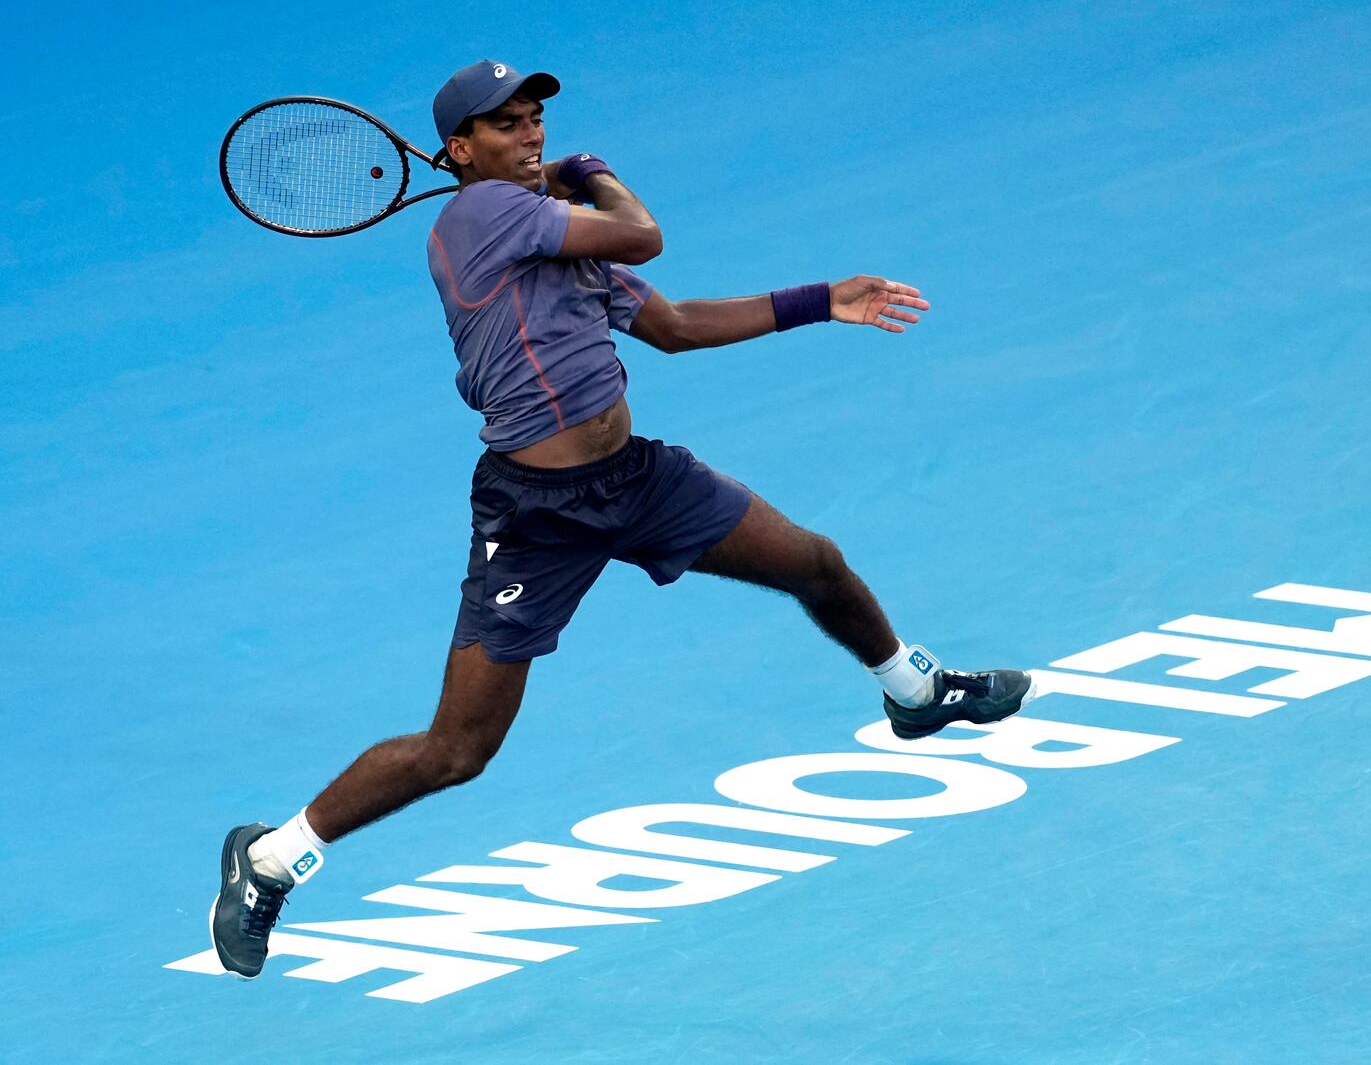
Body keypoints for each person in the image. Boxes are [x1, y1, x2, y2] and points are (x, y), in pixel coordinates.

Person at [209, 59, 1035, 979]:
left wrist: (819, 303)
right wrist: (594, 170)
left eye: (537, 120)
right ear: (459, 151)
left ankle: (915, 694)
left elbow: (674, 325)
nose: (532, 135)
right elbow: (645, 234)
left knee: (814, 560)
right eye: (508, 125)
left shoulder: (553, 238)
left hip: (637, 480)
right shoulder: (481, 215)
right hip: (536, 517)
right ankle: (269, 858)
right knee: (458, 749)